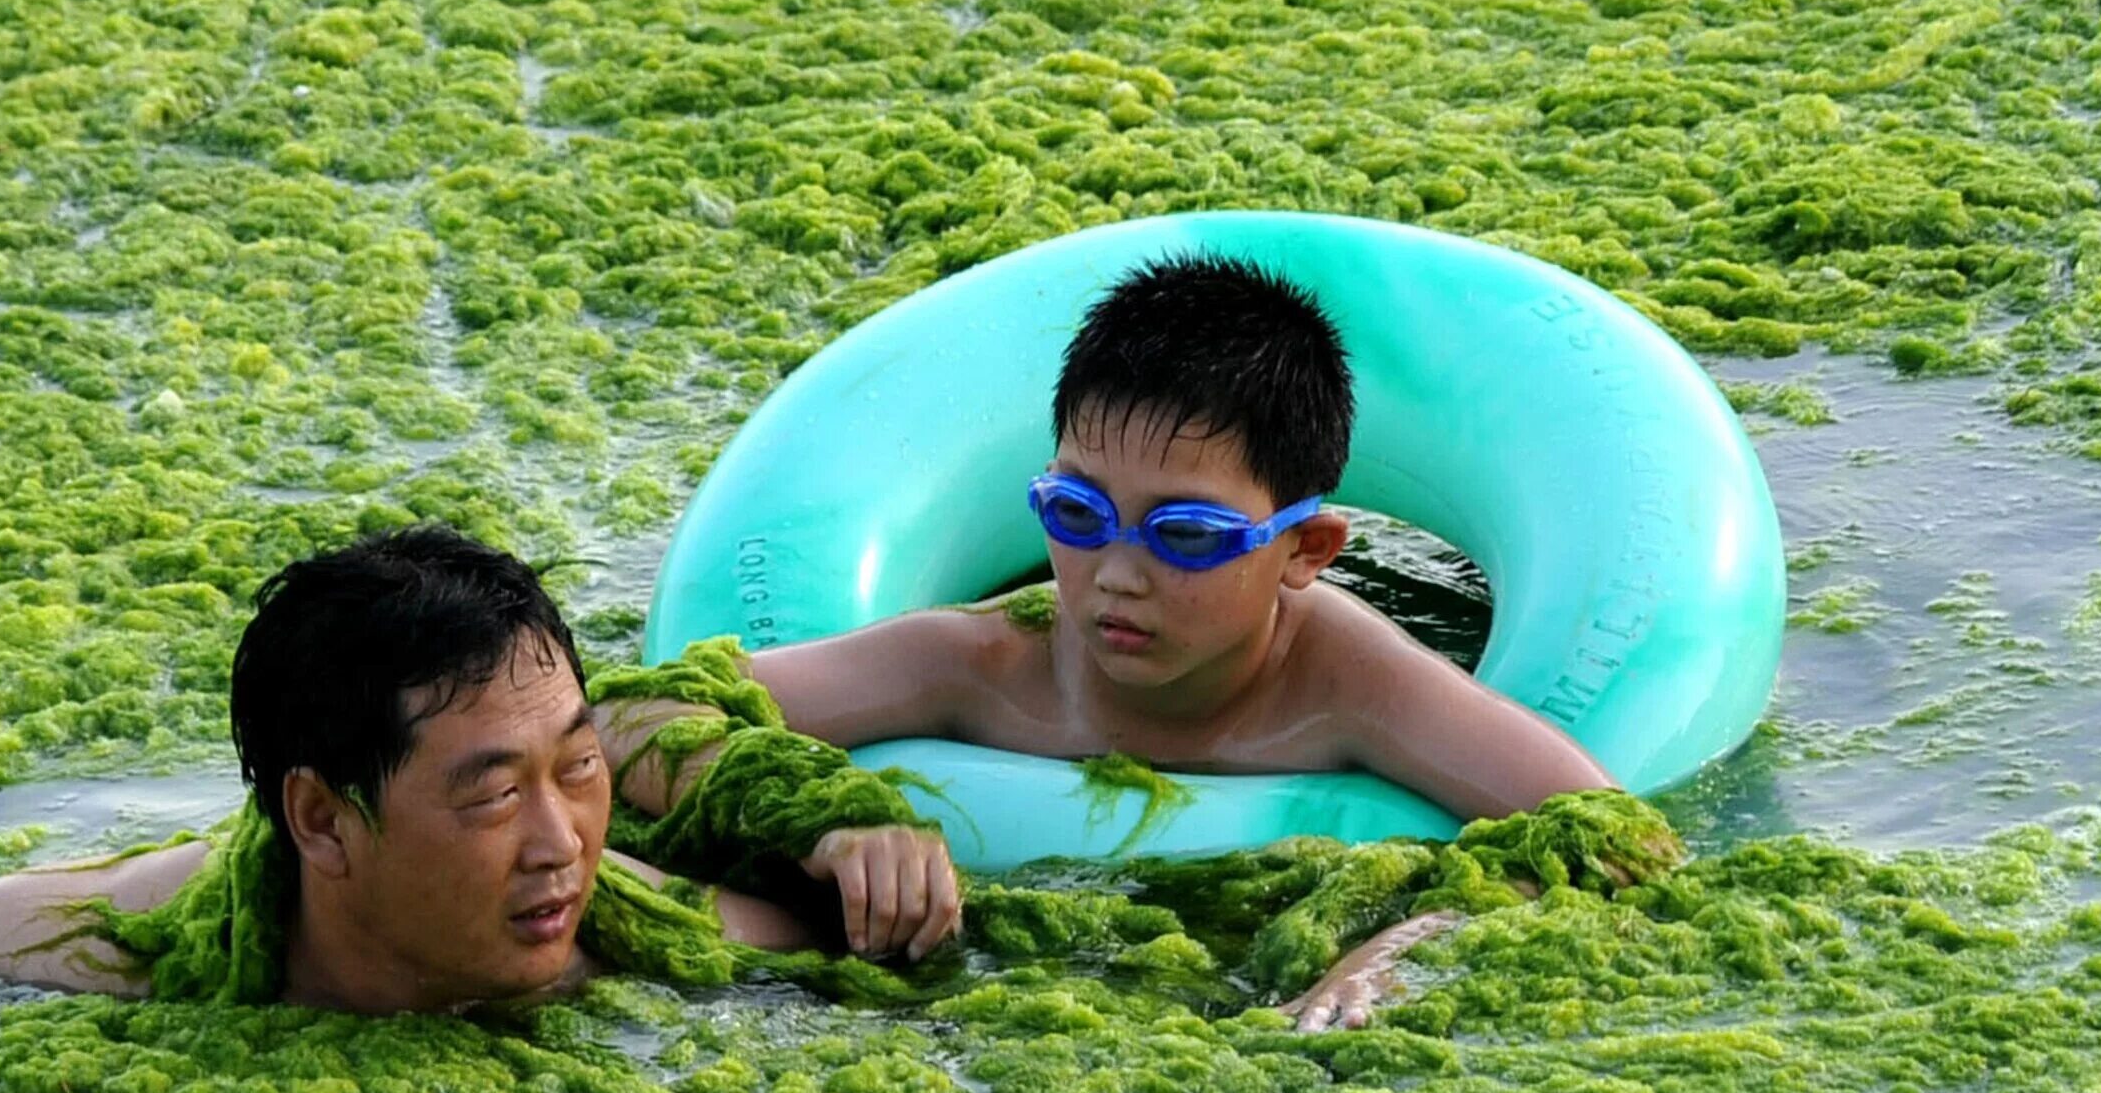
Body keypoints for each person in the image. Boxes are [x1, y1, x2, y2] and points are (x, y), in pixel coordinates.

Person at [599, 252, 1643, 1032]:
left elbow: (1607, 841)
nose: (1118, 574)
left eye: (1187, 534)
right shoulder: (989, 665)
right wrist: (831, 819)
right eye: (1077, 516)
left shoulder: (1359, 690)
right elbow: (622, 714)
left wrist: (1402, 949)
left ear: (1308, 551)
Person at [0, 527, 962, 1014]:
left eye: (575, 770)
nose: (561, 845)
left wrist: (845, 841)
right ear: (322, 820)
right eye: (494, 793)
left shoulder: (649, 939)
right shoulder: (120, 957)